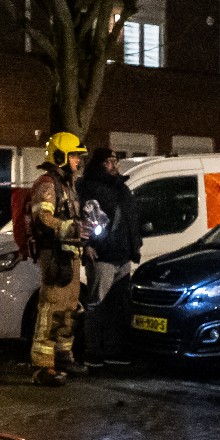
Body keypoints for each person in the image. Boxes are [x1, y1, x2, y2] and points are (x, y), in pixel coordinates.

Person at [26, 132, 88, 385]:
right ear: (60, 156)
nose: (77, 161)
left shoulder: (66, 184)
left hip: (70, 255)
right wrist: (70, 229)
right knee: (51, 310)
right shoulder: (48, 184)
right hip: (55, 255)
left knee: (68, 309)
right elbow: (43, 219)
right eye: (74, 155)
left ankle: (63, 357)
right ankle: (42, 368)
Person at [74, 147, 140, 365]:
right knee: (97, 304)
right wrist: (88, 246)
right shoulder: (90, 188)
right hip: (102, 255)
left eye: (116, 161)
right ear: (99, 164)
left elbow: (130, 219)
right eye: (110, 161)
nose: (115, 165)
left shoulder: (120, 188)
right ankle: (93, 351)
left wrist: (133, 246)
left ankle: (113, 350)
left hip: (122, 255)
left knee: (117, 305)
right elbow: (85, 219)